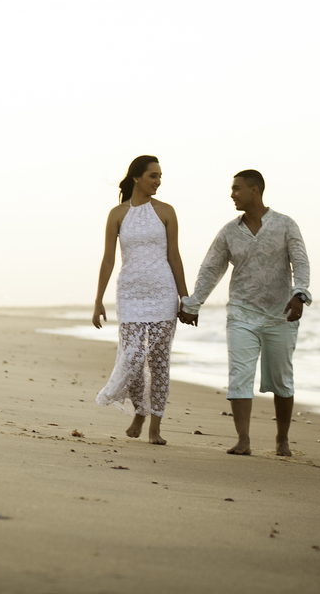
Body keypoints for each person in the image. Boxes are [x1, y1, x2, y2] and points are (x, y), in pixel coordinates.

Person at [178, 170, 311, 457]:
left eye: (237, 189)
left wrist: (300, 294)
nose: (232, 194)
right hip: (241, 313)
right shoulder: (229, 231)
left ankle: (282, 440)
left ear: (255, 190)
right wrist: (193, 302)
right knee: (239, 374)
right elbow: (211, 268)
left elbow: (300, 262)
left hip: (280, 314)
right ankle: (243, 439)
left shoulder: (286, 225)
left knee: (282, 378)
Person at [93, 155, 190, 445]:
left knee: (159, 361)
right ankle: (140, 410)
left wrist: (186, 298)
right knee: (132, 356)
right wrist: (98, 299)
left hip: (162, 292)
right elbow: (109, 258)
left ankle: (155, 426)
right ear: (137, 177)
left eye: (160, 176)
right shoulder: (117, 214)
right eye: (153, 176)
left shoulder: (167, 212)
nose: (158, 181)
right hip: (130, 294)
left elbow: (174, 256)